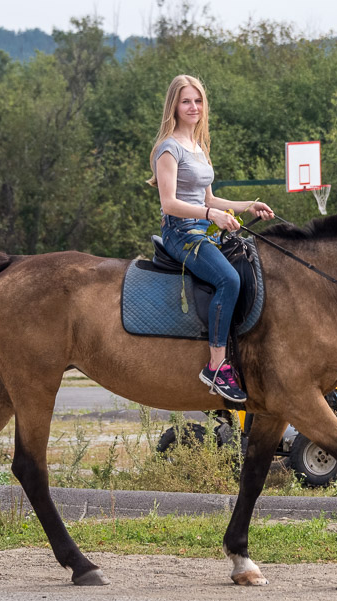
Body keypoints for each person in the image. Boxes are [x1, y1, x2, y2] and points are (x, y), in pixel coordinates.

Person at [148, 74, 274, 403]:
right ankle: (217, 366)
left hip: (204, 230)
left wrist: (249, 206)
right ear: (174, 106)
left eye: (198, 100)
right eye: (186, 101)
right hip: (180, 232)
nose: (193, 107)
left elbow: (211, 199)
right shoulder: (168, 149)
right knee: (228, 280)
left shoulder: (200, 148)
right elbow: (169, 203)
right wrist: (210, 216)